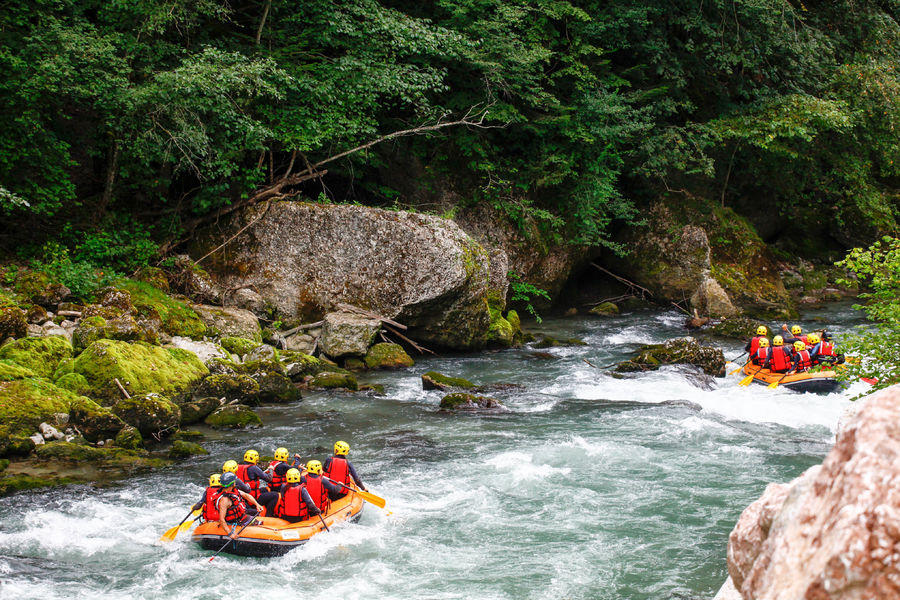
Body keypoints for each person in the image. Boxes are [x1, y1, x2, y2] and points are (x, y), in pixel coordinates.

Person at [216, 472, 264, 538]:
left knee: (260, 523)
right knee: (259, 528)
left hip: (242, 517)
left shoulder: (234, 491)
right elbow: (222, 519)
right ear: (232, 484)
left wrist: (257, 504)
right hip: (235, 522)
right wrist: (230, 534)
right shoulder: (224, 500)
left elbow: (246, 495)